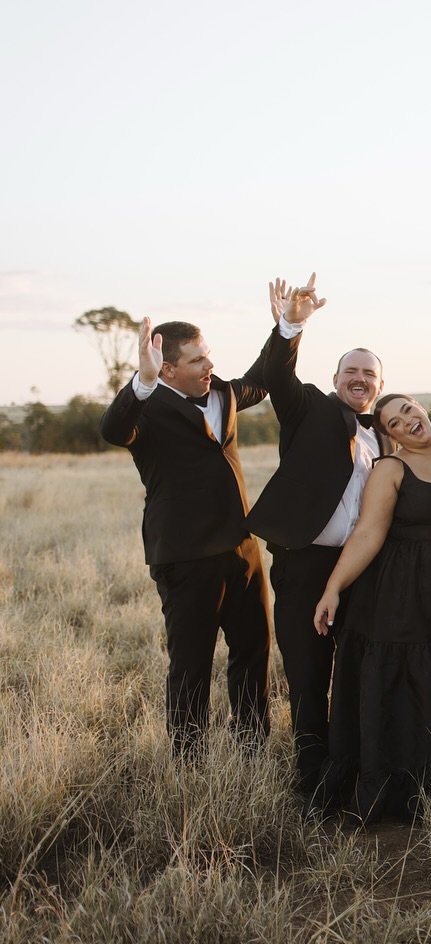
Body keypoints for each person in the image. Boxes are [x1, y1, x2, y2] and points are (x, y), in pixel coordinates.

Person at [243, 273, 387, 800]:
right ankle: (313, 777)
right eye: (351, 370)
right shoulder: (308, 408)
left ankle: (353, 767)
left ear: (379, 384)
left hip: (363, 570)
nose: (360, 378)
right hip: (305, 564)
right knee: (307, 673)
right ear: (335, 378)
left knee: (355, 671)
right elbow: (277, 376)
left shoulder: (384, 434)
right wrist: (290, 325)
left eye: (369, 373)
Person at [100, 316, 271, 756]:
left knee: (253, 653)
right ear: (169, 369)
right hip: (186, 557)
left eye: (207, 354)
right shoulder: (148, 409)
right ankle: (189, 762)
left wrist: (288, 327)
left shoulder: (224, 393)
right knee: (192, 666)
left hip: (243, 549)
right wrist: (142, 381)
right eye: (197, 360)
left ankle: (251, 749)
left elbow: (265, 376)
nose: (208, 364)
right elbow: (113, 430)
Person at [313, 393, 431, 822]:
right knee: (409, 687)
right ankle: (401, 790)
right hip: (405, 594)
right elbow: (369, 534)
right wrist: (333, 587)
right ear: (390, 437)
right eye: (394, 422)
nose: (408, 421)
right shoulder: (391, 469)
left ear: (423, 409)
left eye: (410, 410)